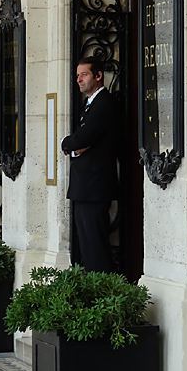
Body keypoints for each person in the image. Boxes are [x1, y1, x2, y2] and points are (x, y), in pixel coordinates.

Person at [61, 58, 119, 272]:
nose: (79, 79)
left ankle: (101, 293)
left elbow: (80, 139)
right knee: (85, 246)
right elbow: (81, 142)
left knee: (95, 247)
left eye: (84, 74)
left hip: (94, 187)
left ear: (98, 76)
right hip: (86, 187)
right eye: (77, 76)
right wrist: (76, 145)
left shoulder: (104, 102)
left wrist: (67, 144)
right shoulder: (91, 103)